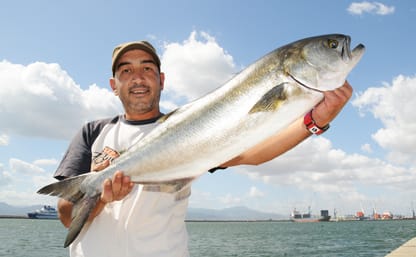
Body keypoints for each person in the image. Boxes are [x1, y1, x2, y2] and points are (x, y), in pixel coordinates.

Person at [54, 40, 353, 257]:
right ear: (113, 84)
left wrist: (315, 120)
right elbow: (68, 215)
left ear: (161, 80)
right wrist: (103, 198)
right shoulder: (93, 132)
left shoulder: (195, 126)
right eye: (126, 71)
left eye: (147, 68)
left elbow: (250, 153)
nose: (138, 77)